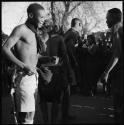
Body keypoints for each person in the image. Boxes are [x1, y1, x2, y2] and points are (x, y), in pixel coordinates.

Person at [2, 3, 48, 124]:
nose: (44, 20)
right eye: (41, 17)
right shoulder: (21, 29)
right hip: (23, 77)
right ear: (31, 15)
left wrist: (48, 59)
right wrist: (23, 65)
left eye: (45, 17)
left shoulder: (34, 32)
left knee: (29, 115)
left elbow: (32, 56)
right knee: (27, 116)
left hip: (33, 77)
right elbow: (5, 48)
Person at [38, 24, 72, 123]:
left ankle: (46, 121)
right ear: (53, 29)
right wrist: (69, 72)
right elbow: (65, 56)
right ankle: (53, 122)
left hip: (42, 72)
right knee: (55, 100)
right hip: (54, 73)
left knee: (43, 100)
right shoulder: (59, 39)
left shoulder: (39, 39)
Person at [98, 8, 123, 123]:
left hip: (120, 73)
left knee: (118, 103)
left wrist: (106, 72)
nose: (106, 20)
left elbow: (117, 54)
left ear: (113, 17)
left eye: (107, 17)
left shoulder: (117, 28)